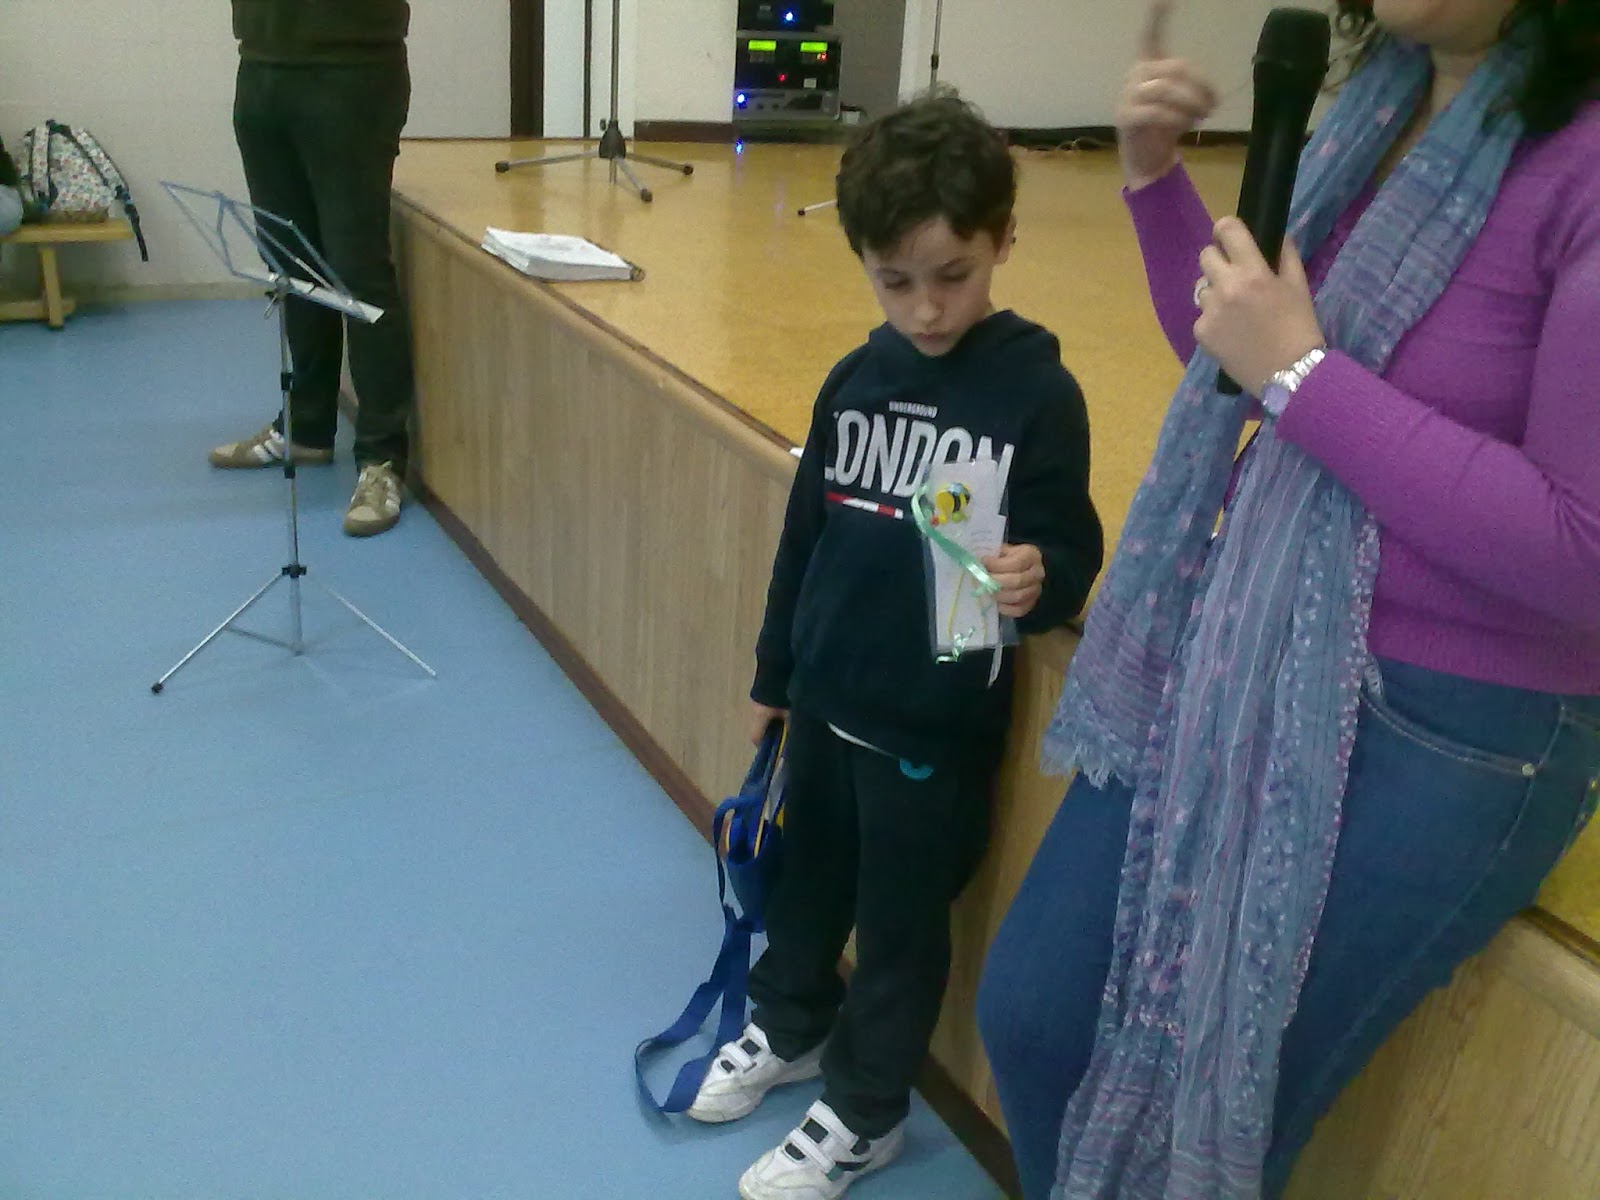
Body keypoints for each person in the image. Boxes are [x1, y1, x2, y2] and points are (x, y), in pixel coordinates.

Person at [978, 0, 1600, 1196]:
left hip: (1456, 725)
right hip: (1254, 645)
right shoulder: (1384, 104)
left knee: (1206, 1120)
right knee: (1037, 1016)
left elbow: (1584, 557)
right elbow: (1243, 367)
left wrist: (1303, 373)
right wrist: (1153, 180)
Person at [683, 92, 1104, 1200]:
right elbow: (804, 538)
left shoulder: (1036, 392)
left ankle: (867, 1112)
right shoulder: (854, 379)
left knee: (899, 933)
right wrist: (775, 677)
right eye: (895, 280)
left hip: (932, 734)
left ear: (1002, 241)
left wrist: (1041, 575)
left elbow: (1069, 544)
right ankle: (789, 1025)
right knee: (805, 889)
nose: (925, 308)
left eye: (951, 275)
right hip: (827, 707)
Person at [209, 0, 417, 538]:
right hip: (261, 63)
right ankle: (306, 428)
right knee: (288, 263)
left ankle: (382, 459)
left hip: (350, 70)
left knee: (357, 269)